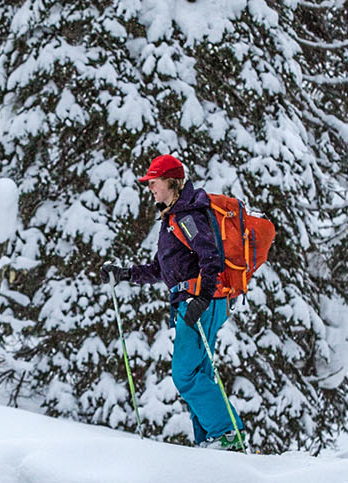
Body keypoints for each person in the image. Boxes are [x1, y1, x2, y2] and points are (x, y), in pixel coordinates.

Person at [98, 154, 247, 452]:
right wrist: (124, 274)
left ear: (172, 183)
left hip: (200, 301)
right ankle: (210, 440)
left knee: (185, 375)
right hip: (196, 301)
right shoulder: (173, 219)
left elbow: (211, 259)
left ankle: (228, 433)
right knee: (198, 373)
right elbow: (159, 270)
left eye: (154, 182)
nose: (150, 187)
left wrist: (202, 298)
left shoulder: (187, 217)